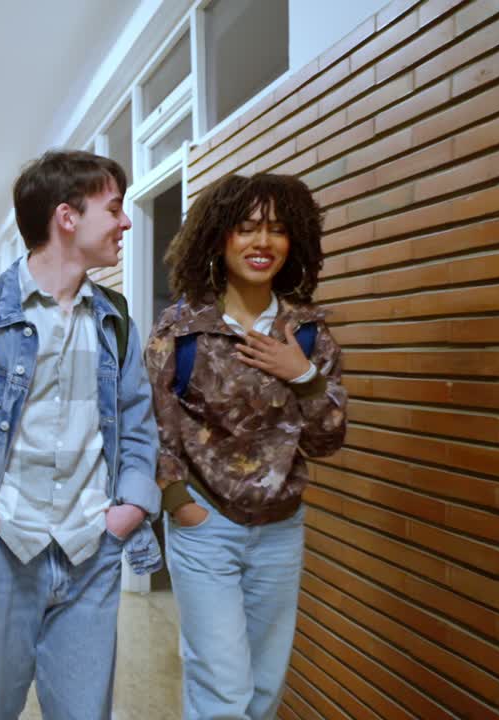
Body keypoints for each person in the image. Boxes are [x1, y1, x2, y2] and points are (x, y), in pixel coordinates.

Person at [0, 150, 161, 719]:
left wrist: (127, 511)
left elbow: (138, 427)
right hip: (2, 551)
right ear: (67, 217)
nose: (126, 223)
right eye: (115, 209)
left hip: (90, 550)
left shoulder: (115, 320)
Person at [144, 173, 348, 719]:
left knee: (262, 693)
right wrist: (178, 503)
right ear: (220, 237)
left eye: (278, 231)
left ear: (294, 242)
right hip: (205, 525)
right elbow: (155, 429)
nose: (263, 242)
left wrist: (304, 376)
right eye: (248, 228)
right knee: (222, 694)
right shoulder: (181, 329)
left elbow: (329, 439)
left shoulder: (307, 333)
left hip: (282, 527)